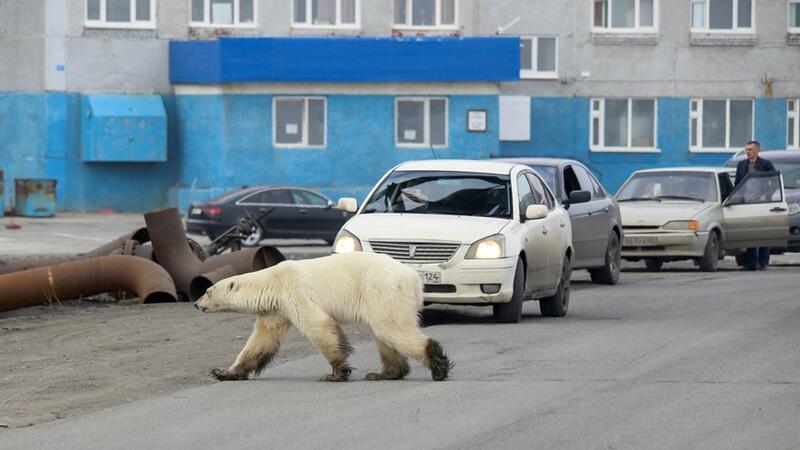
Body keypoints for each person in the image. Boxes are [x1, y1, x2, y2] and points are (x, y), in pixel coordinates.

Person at [734, 140, 776, 271]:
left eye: (750, 149)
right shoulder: (741, 165)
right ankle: (750, 263)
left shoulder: (765, 164)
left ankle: (763, 263)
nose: (748, 152)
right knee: (749, 234)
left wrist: (767, 194)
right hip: (746, 204)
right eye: (746, 149)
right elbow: (737, 184)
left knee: (763, 234)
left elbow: (775, 180)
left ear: (757, 150)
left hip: (761, 204)